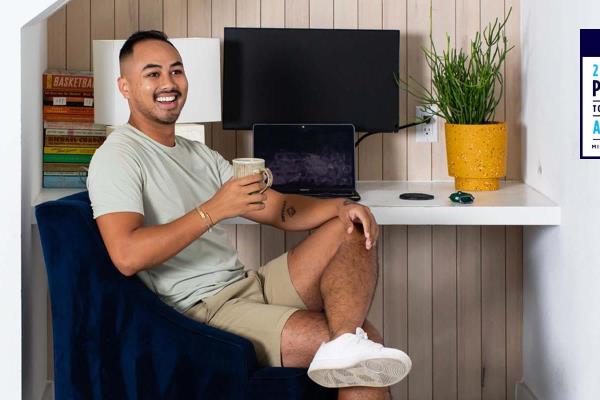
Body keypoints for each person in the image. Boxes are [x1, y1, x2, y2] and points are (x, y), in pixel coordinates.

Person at [87, 30, 411, 400]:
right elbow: (127, 256)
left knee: (349, 226)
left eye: (176, 71)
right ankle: (348, 346)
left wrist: (340, 205)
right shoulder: (117, 157)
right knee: (364, 354)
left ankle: (345, 344)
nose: (169, 83)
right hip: (203, 310)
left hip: (247, 285)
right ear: (125, 86)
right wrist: (213, 210)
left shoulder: (198, 154)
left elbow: (279, 209)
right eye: (153, 73)